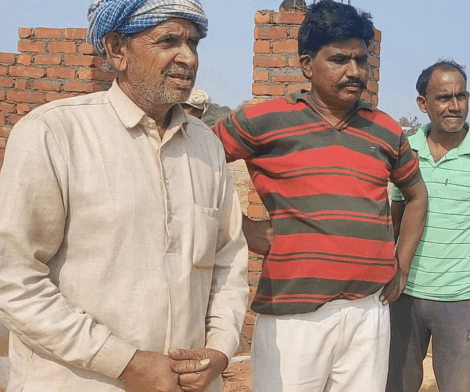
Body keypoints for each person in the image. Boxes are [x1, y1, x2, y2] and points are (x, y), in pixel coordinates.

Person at [0, 1, 249, 391]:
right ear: (117, 50)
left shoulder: (206, 147)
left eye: (194, 42)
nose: (188, 57)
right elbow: (12, 278)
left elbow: (228, 264)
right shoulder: (53, 133)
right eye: (169, 40)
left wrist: (218, 348)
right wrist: (123, 362)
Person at [212, 1, 428, 390]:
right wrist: (240, 227)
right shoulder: (265, 120)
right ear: (308, 65)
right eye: (340, 59)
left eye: (362, 60)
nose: (354, 71)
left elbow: (416, 195)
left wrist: (403, 264)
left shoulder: (385, 130)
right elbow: (193, 166)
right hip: (293, 316)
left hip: (368, 310)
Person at [386, 60, 470, 392]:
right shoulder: (405, 151)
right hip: (404, 295)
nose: (455, 106)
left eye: (461, 96)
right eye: (444, 97)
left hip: (461, 300)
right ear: (423, 104)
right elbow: (394, 220)